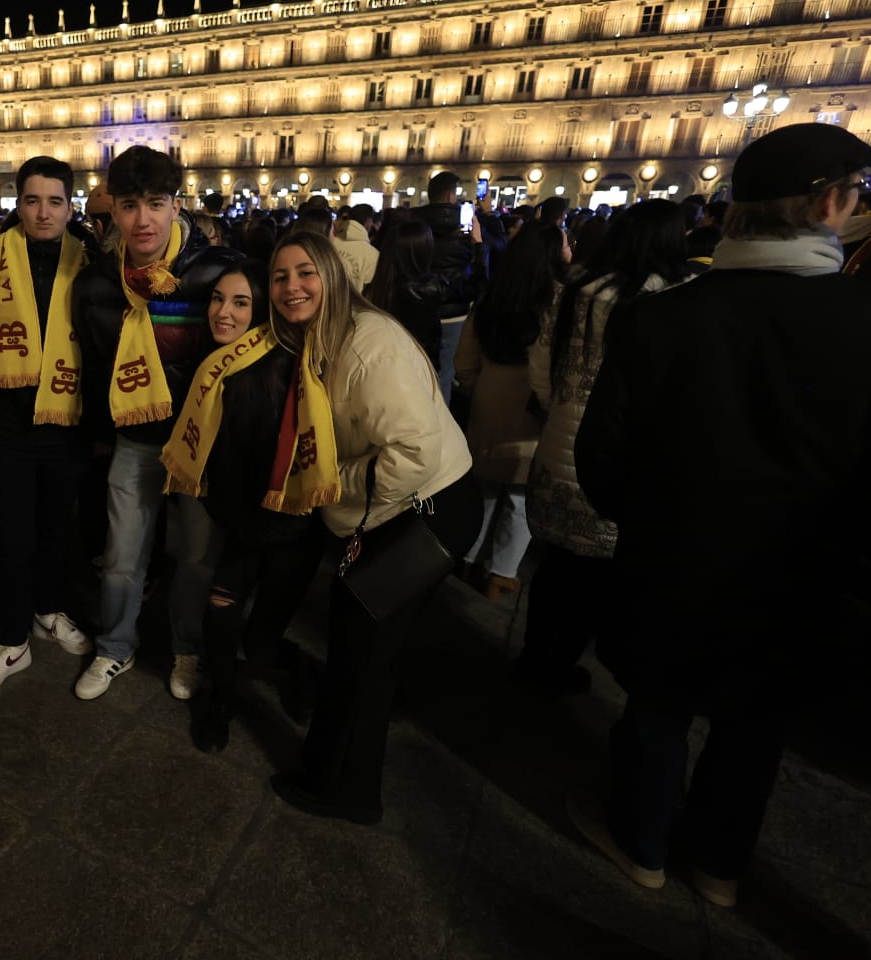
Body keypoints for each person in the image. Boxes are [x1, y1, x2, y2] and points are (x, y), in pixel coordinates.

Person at [570, 123, 871, 908]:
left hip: (672, 564)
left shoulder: (663, 318)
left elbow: (601, 455)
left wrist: (651, 522)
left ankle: (641, 843)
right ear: (828, 204)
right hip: (799, 578)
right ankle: (719, 866)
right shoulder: (865, 325)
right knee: (756, 727)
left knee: (658, 710)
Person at [262, 232, 479, 824]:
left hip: (421, 507)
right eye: (279, 277)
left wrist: (328, 481)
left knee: (360, 655)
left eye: (306, 272)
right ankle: (345, 766)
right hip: (397, 502)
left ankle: (346, 790)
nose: (292, 287)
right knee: (366, 648)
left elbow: (413, 452)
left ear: (334, 275)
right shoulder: (323, 337)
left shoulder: (369, 344)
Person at [71, 145, 240, 701]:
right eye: (129, 206)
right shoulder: (98, 282)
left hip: (199, 440)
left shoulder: (215, 272)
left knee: (195, 558)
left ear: (176, 205)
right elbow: (96, 365)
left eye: (155, 204)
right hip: (136, 438)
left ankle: (185, 649)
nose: (142, 220)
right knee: (121, 554)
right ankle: (116, 646)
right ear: (112, 211)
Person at [518, 200, 689, 697]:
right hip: (623, 459)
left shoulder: (576, 291)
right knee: (597, 579)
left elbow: (541, 366)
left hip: (559, 446)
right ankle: (558, 665)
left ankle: (535, 659)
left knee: (556, 569)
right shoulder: (673, 300)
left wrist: (561, 409)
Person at [161, 261, 324, 753]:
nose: (223, 313)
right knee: (221, 613)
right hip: (243, 522)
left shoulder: (278, 366)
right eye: (216, 299)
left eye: (239, 302)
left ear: (262, 314)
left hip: (289, 526)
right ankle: (221, 701)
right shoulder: (210, 367)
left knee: (260, 640)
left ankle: (296, 671)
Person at [0, 157, 95, 696]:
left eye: (55, 201)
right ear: (19, 203)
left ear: (69, 206)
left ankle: (48, 609)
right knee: (12, 534)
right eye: (33, 200)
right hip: (6, 420)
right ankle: (11, 639)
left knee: (57, 530)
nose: (43, 212)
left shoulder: (90, 262)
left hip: (66, 420)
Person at [454, 220, 568, 598]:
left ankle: (468, 559)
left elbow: (465, 362)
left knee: (484, 489)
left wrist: (478, 391)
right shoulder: (560, 303)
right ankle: (500, 574)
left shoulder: (491, 298)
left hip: (488, 406)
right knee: (520, 499)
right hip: (533, 417)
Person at [411, 171, 474, 403]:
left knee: (415, 371)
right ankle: (441, 426)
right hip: (453, 311)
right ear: (450, 195)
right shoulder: (465, 225)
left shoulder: (413, 221)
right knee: (445, 373)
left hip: (418, 305)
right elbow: (478, 274)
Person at [371, 218, 449, 369]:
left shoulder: (376, 288)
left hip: (385, 367)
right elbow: (473, 285)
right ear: (422, 252)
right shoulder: (431, 287)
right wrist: (479, 246)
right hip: (421, 367)